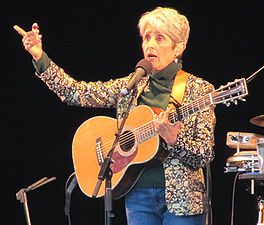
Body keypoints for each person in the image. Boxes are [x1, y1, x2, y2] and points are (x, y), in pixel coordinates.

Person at [14, 7, 216, 225]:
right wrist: (39, 56)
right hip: (137, 197)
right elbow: (75, 93)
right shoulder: (131, 85)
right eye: (147, 37)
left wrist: (174, 141)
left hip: (183, 201)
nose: (150, 44)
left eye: (159, 38)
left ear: (178, 48)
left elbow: (204, 154)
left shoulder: (199, 90)